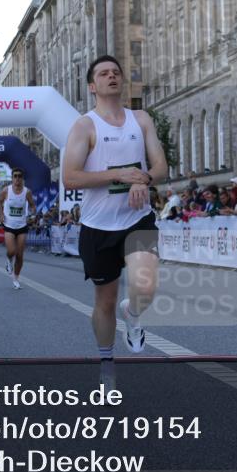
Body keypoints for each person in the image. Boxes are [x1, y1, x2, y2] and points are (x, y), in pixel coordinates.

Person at [62, 55, 168, 390]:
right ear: (92, 86)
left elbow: (161, 168)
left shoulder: (141, 119)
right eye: (104, 74)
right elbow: (70, 178)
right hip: (98, 227)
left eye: (116, 73)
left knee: (146, 285)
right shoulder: (85, 125)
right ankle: (107, 365)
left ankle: (133, 315)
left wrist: (144, 179)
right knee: (104, 301)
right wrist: (119, 175)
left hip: (137, 219)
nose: (112, 77)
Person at [0, 168, 36, 289]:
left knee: (20, 255)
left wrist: (33, 214)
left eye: (19, 176)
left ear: (22, 178)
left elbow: (32, 205)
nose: (17, 178)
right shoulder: (6, 190)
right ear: (12, 178)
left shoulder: (27, 192)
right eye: (15, 176)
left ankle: (16, 279)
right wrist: (2, 214)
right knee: (12, 251)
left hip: (22, 225)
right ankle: (8, 260)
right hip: (9, 225)